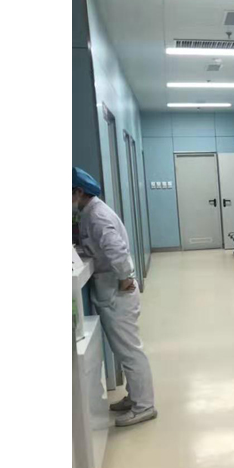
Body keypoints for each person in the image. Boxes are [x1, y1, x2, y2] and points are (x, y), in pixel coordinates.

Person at [73, 167, 158, 427]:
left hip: (116, 291)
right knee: (124, 349)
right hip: (111, 289)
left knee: (129, 350)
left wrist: (124, 278)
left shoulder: (97, 216)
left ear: (78, 192)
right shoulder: (90, 212)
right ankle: (135, 397)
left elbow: (116, 249)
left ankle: (144, 406)